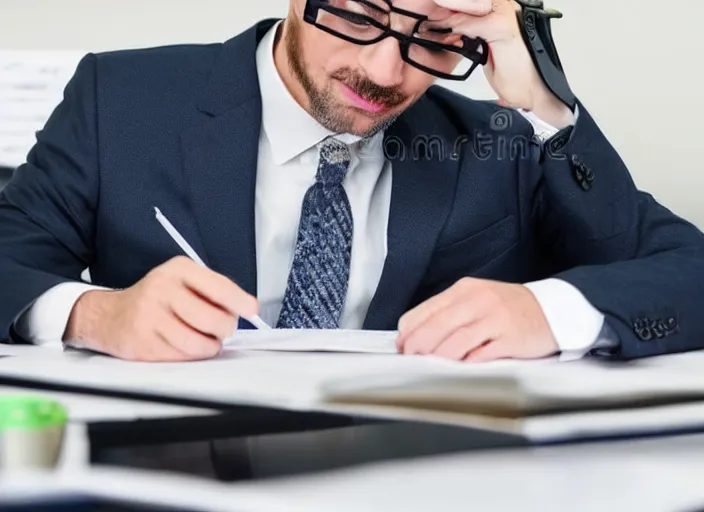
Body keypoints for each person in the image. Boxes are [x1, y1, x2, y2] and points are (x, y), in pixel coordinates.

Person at [1, 0, 702, 364]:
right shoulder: (119, 99)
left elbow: (685, 272)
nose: (386, 74)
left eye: (431, 39)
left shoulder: (506, 143)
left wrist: (547, 313)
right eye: (359, 14)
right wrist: (96, 315)